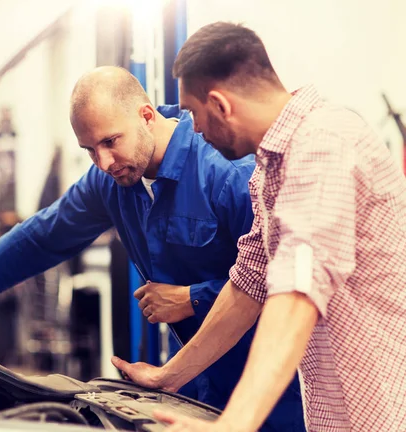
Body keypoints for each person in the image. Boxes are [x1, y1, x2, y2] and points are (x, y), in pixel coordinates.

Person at [0, 66, 304, 431]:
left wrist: (193, 298)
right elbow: (41, 237)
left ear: (146, 115)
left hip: (276, 387)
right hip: (188, 380)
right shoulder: (114, 181)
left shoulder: (228, 172)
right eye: (89, 149)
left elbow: (289, 285)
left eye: (110, 141)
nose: (102, 162)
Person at [113, 22, 406, 432]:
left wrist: (236, 423)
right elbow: (249, 284)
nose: (193, 128)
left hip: (382, 415)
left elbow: (298, 288)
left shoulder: (324, 143)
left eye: (194, 114)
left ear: (221, 104)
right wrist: (168, 377)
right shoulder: (270, 168)